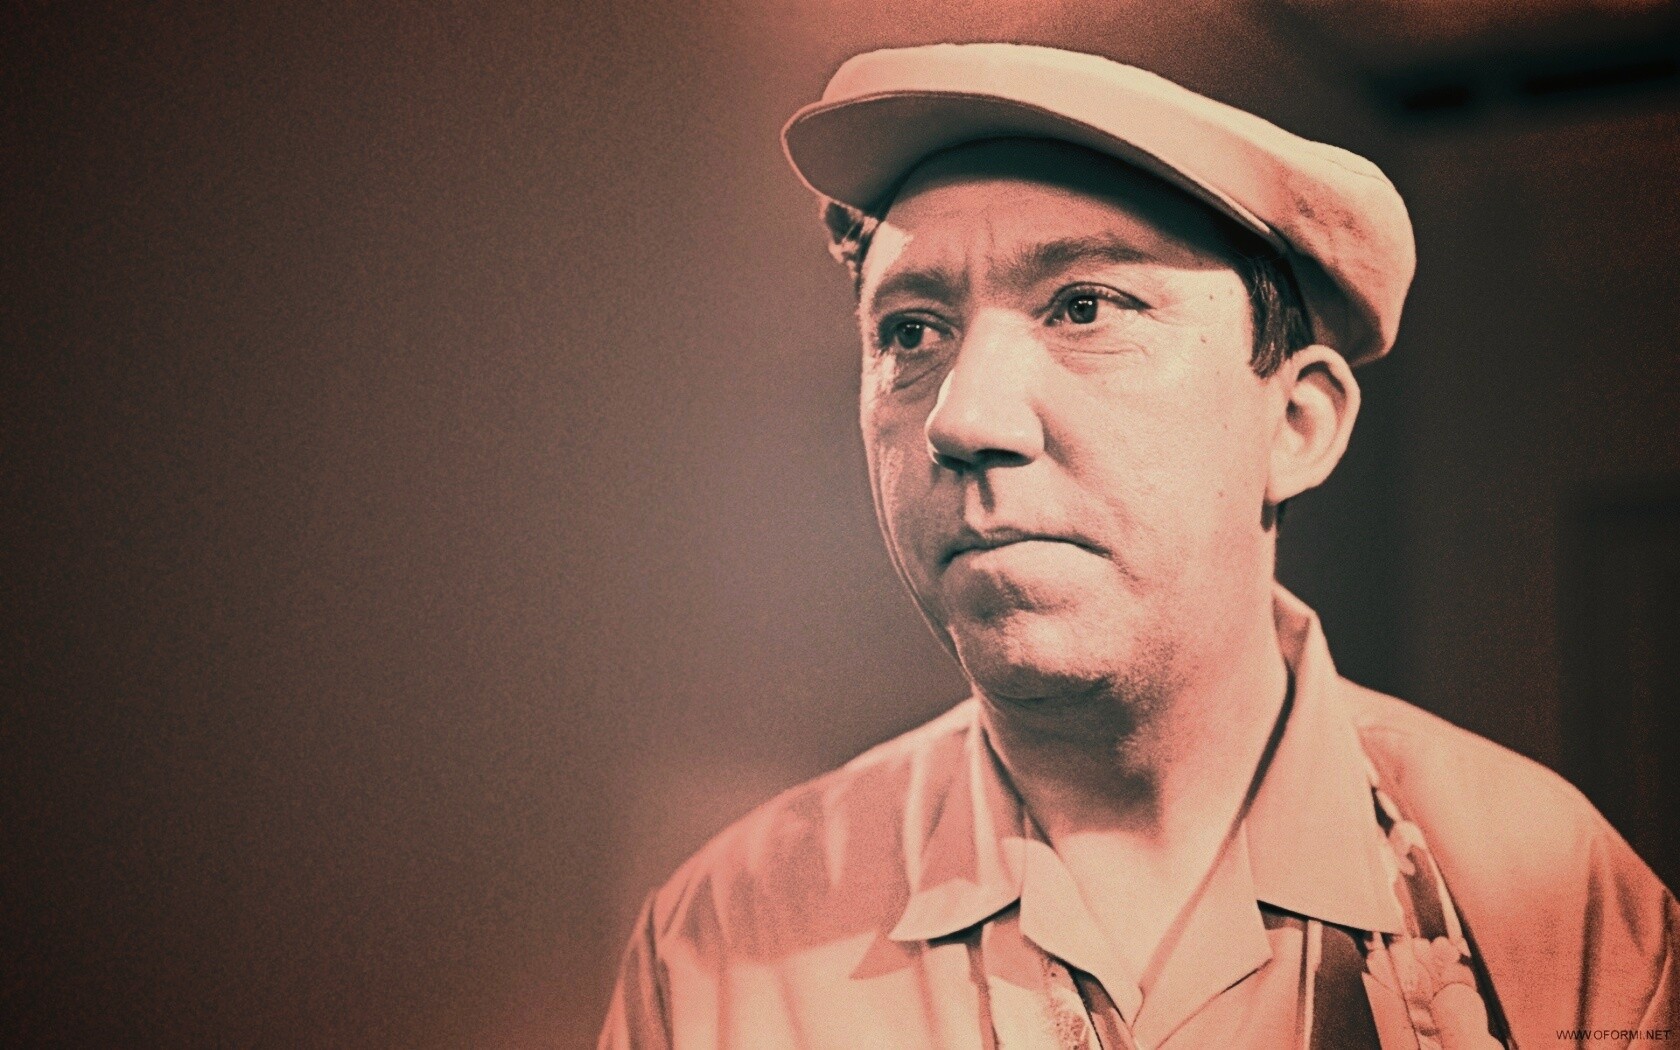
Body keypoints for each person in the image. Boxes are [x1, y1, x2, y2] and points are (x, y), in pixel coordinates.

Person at [599, 43, 1677, 1049]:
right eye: (911, 332)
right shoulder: (723, 944)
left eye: (1083, 308)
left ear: (1296, 425)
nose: (962, 418)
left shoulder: (1557, 904)